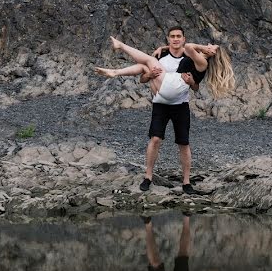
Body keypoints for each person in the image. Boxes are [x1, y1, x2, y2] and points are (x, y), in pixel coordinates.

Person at [94, 30, 235, 193]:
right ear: (169, 39)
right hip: (164, 95)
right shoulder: (170, 55)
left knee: (184, 142)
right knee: (144, 65)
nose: (209, 45)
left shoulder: (201, 60)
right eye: (172, 37)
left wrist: (199, 62)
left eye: (212, 46)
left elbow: (189, 51)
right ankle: (148, 177)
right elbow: (144, 77)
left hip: (178, 96)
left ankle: (186, 182)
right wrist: (152, 69)